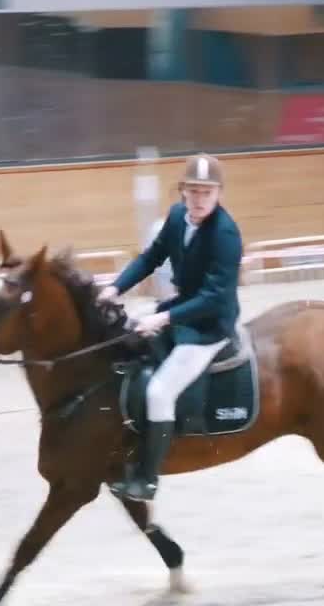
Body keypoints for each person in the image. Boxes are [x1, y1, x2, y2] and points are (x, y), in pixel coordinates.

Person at [97, 153, 244, 502]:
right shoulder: (177, 217)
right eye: (192, 191)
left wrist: (161, 318)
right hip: (178, 309)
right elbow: (151, 257)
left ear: (218, 193)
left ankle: (147, 479)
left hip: (210, 326)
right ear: (182, 192)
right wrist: (115, 288)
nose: (199, 199)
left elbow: (213, 297)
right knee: (131, 353)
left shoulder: (225, 234)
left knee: (159, 391)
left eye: (206, 192)